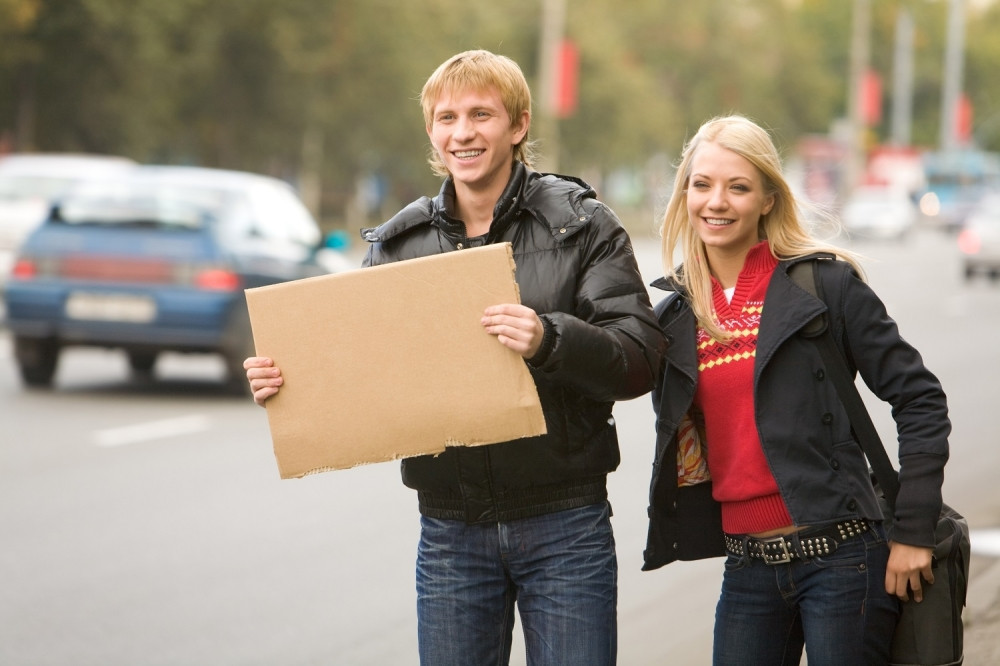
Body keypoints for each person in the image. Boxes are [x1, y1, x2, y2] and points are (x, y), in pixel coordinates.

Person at [245, 49, 664, 665]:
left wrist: (550, 338)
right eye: (447, 118)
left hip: (565, 525)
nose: (462, 132)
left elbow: (639, 359)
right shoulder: (398, 244)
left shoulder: (583, 226)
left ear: (518, 125)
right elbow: (361, 372)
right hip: (450, 532)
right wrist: (288, 382)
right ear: (432, 134)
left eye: (480, 114)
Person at [641, 115, 950, 665]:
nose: (717, 201)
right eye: (702, 183)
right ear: (684, 192)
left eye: (738, 187)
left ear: (767, 199)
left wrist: (915, 531)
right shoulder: (674, 318)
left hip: (845, 558)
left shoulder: (825, 286)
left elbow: (919, 398)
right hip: (746, 568)